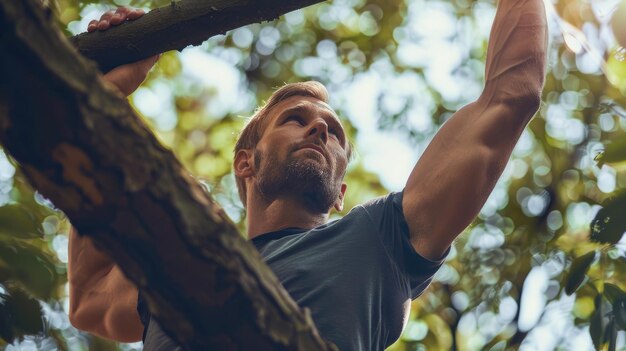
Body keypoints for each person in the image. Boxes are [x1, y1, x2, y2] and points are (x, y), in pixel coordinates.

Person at [68, 1, 548, 350]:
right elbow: (89, 299)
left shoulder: (378, 243)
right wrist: (111, 91)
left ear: (341, 192)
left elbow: (511, 97)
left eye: (334, 132)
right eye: (295, 119)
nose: (320, 127)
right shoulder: (177, 263)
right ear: (246, 163)